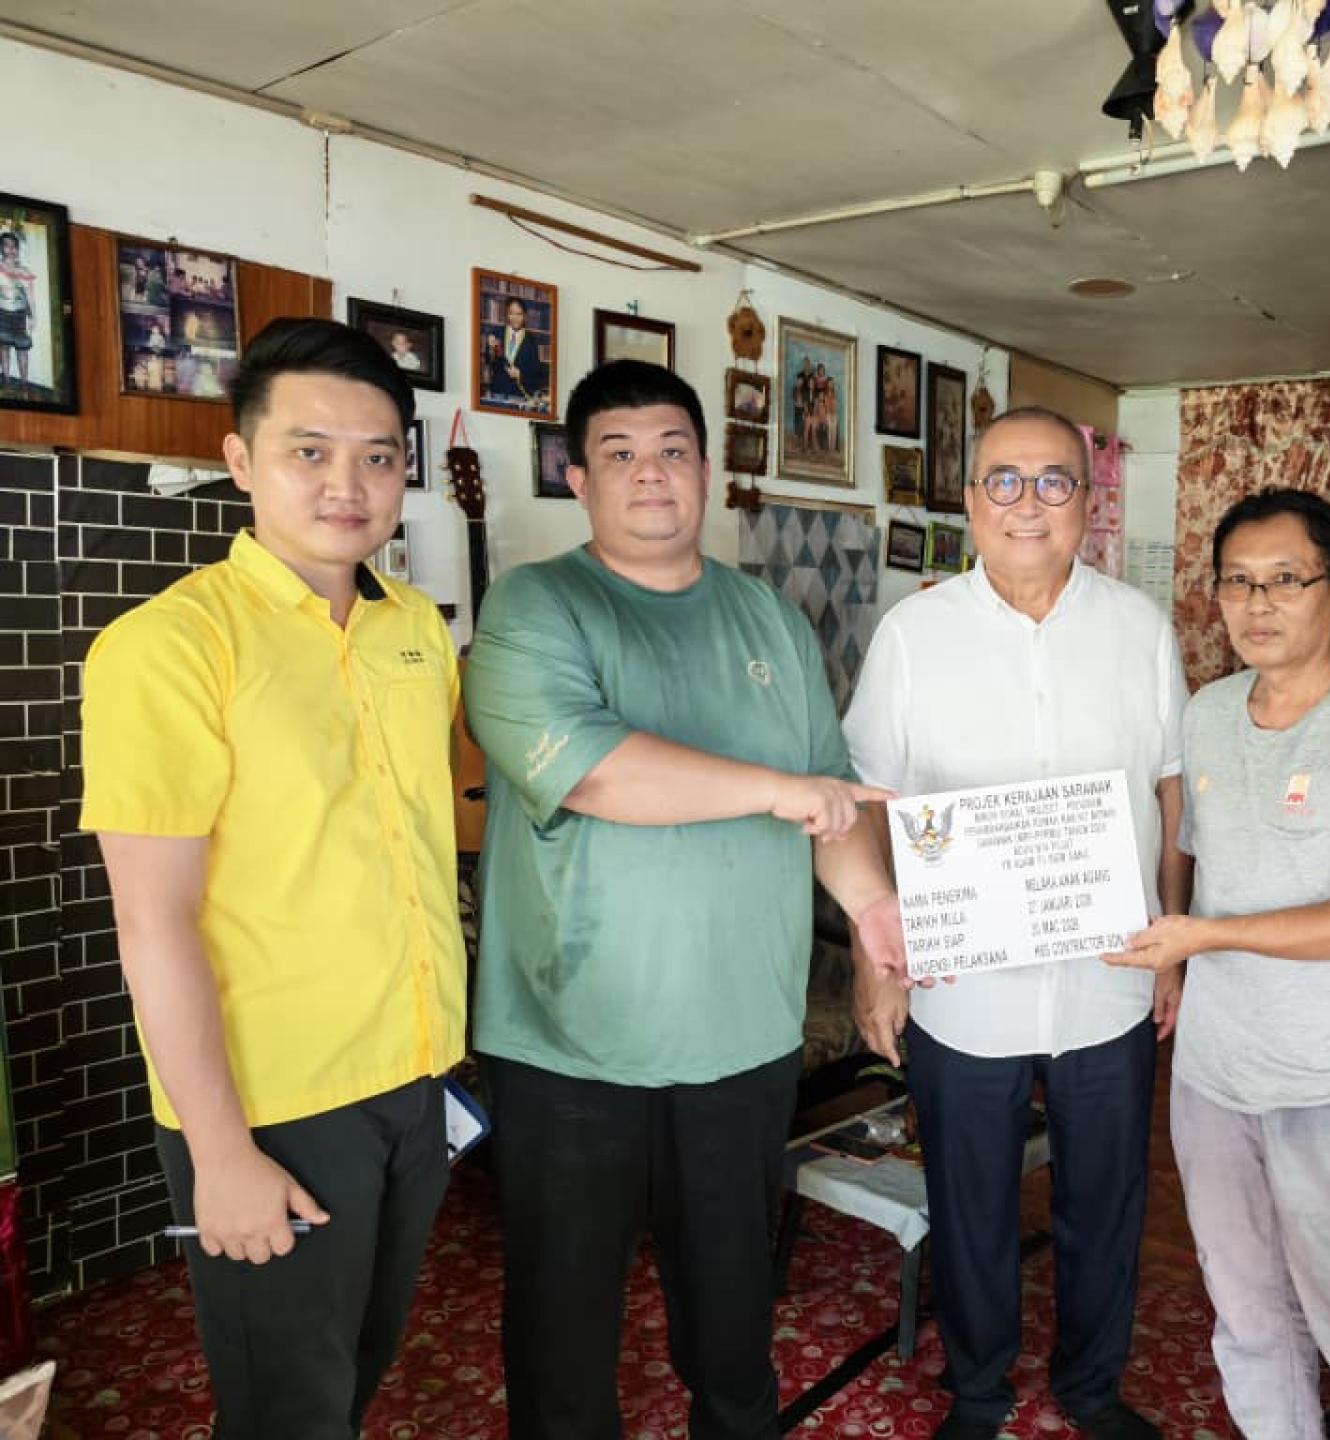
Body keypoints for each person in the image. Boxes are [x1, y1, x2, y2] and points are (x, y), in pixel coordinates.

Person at [462, 358, 905, 1440]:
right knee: (565, 1325)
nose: (649, 473)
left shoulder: (769, 620)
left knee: (733, 1314)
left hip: (742, 1035)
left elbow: (832, 801)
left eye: (671, 450)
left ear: (705, 470)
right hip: (570, 1042)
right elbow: (596, 773)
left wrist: (873, 916)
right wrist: (778, 790)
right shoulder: (534, 605)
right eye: (618, 454)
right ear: (578, 479)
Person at [80, 318, 464, 1440]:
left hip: (417, 1069)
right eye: (310, 451)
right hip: (275, 1102)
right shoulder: (171, 646)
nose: (348, 483)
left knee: (360, 1365)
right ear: (241, 461)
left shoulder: (416, 632)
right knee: (285, 1407)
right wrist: (219, 1152)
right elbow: (153, 923)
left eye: (378, 455)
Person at [846, 406, 1189, 1440]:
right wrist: (873, 961)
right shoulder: (914, 635)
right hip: (962, 988)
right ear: (969, 501)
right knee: (971, 1204)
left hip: (1109, 976)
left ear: (1088, 500)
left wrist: (1174, 935)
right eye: (1004, 480)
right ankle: (979, 1388)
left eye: (1053, 481)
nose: (1027, 503)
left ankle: (1091, 1387)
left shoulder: (1139, 628)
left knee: (1107, 1203)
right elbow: (870, 800)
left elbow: (1173, 790)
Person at [1107, 487, 1330, 1439]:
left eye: (1285, 580)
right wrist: (1172, 950)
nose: (1257, 605)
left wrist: (1203, 939)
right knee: (1251, 1322)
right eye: (1237, 582)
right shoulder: (1209, 714)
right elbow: (1193, 856)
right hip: (1216, 1079)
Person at [487, 297, 547, 406]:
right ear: (507, 315)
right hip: (497, 393)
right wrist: (491, 349)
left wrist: (520, 374)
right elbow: (489, 362)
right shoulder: (496, 333)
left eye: (519, 314)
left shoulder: (531, 340)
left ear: (525, 316)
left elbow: (535, 372)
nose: (515, 318)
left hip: (519, 396)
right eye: (511, 313)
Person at [0, 231, 32, 385]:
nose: (11, 249)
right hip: (2, 314)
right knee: (4, 348)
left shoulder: (23, 270)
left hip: (20, 316)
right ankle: (6, 380)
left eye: (14, 246)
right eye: (7, 245)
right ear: (1, 248)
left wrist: (32, 315)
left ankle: (24, 384)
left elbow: (29, 296)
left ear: (17, 249)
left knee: (22, 349)